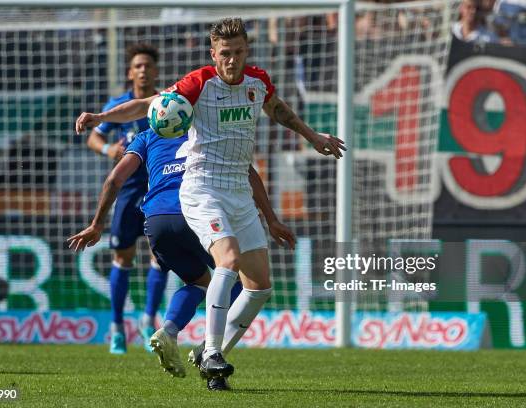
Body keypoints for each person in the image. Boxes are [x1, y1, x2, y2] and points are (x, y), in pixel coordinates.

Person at [75, 17, 344, 386]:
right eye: (223, 54)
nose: (230, 61)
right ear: (212, 54)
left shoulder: (257, 82)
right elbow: (147, 106)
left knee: (260, 287)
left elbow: (279, 109)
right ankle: (213, 352)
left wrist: (313, 137)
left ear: (246, 51)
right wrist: (101, 118)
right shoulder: (197, 83)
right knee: (227, 260)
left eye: (237, 53)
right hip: (202, 188)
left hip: (238, 191)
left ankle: (207, 351)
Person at [68, 127, 295, 390]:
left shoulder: (147, 136)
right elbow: (246, 171)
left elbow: (114, 179)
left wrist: (96, 225)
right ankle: (212, 358)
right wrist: (271, 218)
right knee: (237, 281)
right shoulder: (208, 133)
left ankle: (169, 331)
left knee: (199, 282)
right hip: (195, 211)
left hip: (156, 221)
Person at [85, 43, 167, 354]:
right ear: (130, 72)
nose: (143, 70)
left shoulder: (165, 105)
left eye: (148, 65)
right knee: (123, 258)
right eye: (138, 66)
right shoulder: (119, 105)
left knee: (160, 258)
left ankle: (148, 321)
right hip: (128, 190)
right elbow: (95, 136)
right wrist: (108, 150)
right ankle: (117, 327)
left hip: (160, 188)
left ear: (156, 70)